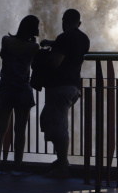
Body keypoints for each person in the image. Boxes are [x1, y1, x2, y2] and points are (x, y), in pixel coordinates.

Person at [39, 9, 90, 178]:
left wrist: (41, 57)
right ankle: (62, 160)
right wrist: (53, 43)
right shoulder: (84, 39)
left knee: (58, 125)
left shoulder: (64, 38)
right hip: (74, 86)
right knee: (49, 120)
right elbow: (71, 49)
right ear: (79, 23)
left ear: (64, 22)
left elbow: (56, 61)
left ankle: (62, 166)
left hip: (59, 87)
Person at [0, 15, 40, 175]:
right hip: (22, 89)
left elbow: (3, 56)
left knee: (0, 129)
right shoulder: (34, 47)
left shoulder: (6, 40)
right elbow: (35, 63)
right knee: (20, 130)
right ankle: (17, 165)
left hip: (6, 86)